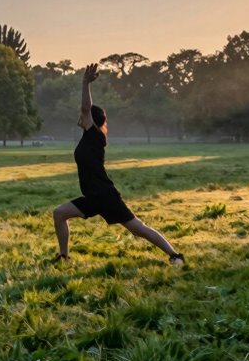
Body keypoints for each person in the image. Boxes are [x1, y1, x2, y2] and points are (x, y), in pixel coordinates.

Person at [52, 63, 184, 266]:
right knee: (59, 214)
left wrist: (85, 83)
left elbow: (85, 108)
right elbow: (86, 111)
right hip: (93, 196)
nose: (81, 116)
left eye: (85, 116)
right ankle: (63, 257)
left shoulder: (94, 135)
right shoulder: (89, 137)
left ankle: (175, 255)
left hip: (104, 195)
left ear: (91, 120)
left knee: (137, 229)